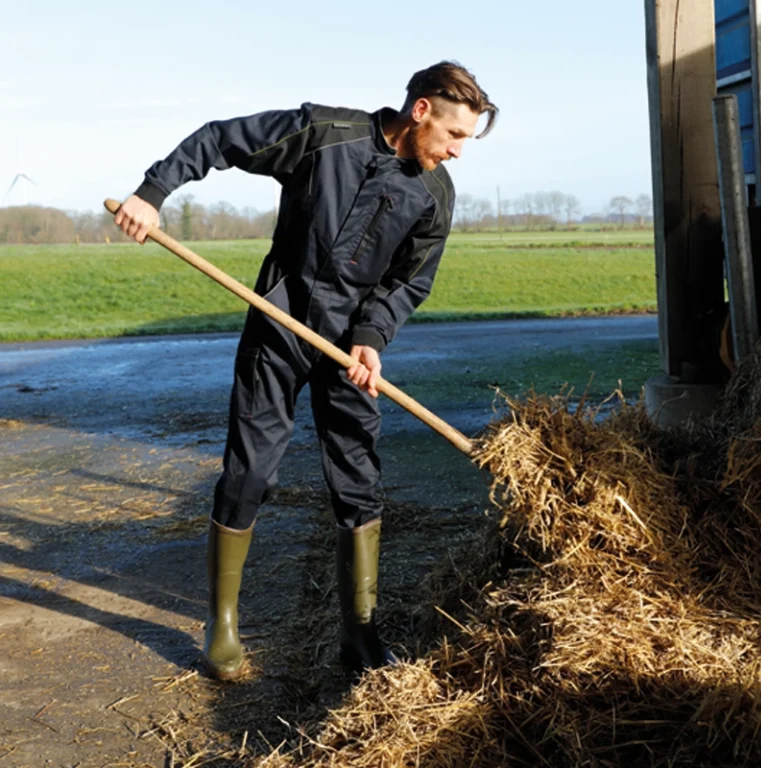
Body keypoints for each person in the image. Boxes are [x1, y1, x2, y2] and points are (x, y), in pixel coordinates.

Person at [115, 61, 497, 681]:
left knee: (359, 476)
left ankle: (361, 636)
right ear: (420, 111)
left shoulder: (435, 195)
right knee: (249, 467)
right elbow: (220, 138)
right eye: (454, 136)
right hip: (280, 321)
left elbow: (408, 281)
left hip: (348, 350)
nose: (458, 152)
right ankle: (223, 627)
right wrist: (152, 193)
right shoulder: (324, 134)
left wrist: (372, 339)